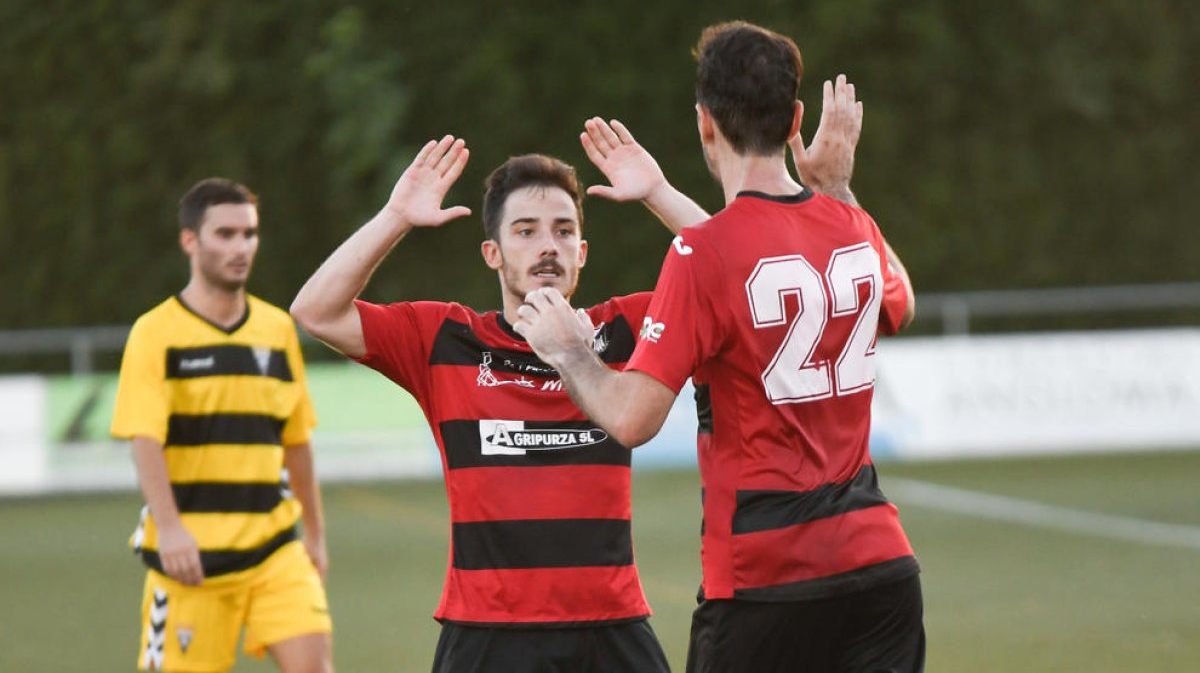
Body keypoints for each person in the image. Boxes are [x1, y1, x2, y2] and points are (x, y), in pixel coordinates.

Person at [289, 100, 860, 671]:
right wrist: (396, 216)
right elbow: (315, 311)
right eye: (526, 231)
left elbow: (744, 270)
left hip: (610, 632)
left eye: (564, 232)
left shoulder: (626, 329)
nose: (547, 246)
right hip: (486, 634)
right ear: (493, 253)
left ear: (582, 254)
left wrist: (658, 191)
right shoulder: (443, 338)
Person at [514, 21, 923, 673]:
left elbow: (630, 417)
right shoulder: (850, 224)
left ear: (705, 123)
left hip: (766, 578)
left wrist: (568, 349)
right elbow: (898, 300)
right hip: (881, 569)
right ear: (795, 119)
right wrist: (839, 186)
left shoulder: (699, 255)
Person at [111, 178, 334, 673]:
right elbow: (143, 438)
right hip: (189, 563)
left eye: (249, 234)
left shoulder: (277, 330)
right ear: (190, 240)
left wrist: (314, 535)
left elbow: (296, 440)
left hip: (276, 552)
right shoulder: (155, 333)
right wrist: (169, 530)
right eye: (226, 234)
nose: (241, 247)